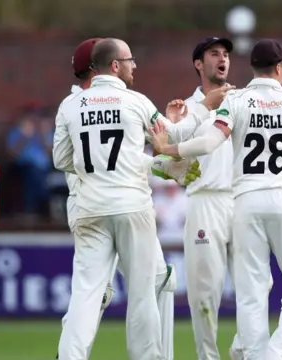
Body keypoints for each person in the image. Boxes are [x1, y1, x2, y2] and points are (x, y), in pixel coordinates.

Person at [149, 37, 282, 360]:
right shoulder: (199, 105)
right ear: (279, 69)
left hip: (243, 201)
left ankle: (250, 352)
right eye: (214, 54)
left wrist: (168, 147)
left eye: (226, 54)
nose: (222, 58)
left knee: (254, 289)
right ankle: (265, 354)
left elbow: (205, 142)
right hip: (231, 199)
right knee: (219, 294)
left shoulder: (237, 100)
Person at [52, 38, 217, 360]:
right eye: (130, 60)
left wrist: (97, 168)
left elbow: (60, 159)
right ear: (115, 66)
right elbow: (172, 136)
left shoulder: (69, 106)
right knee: (142, 294)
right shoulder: (136, 101)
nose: (135, 66)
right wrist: (203, 108)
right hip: (131, 206)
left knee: (86, 295)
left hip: (88, 208)